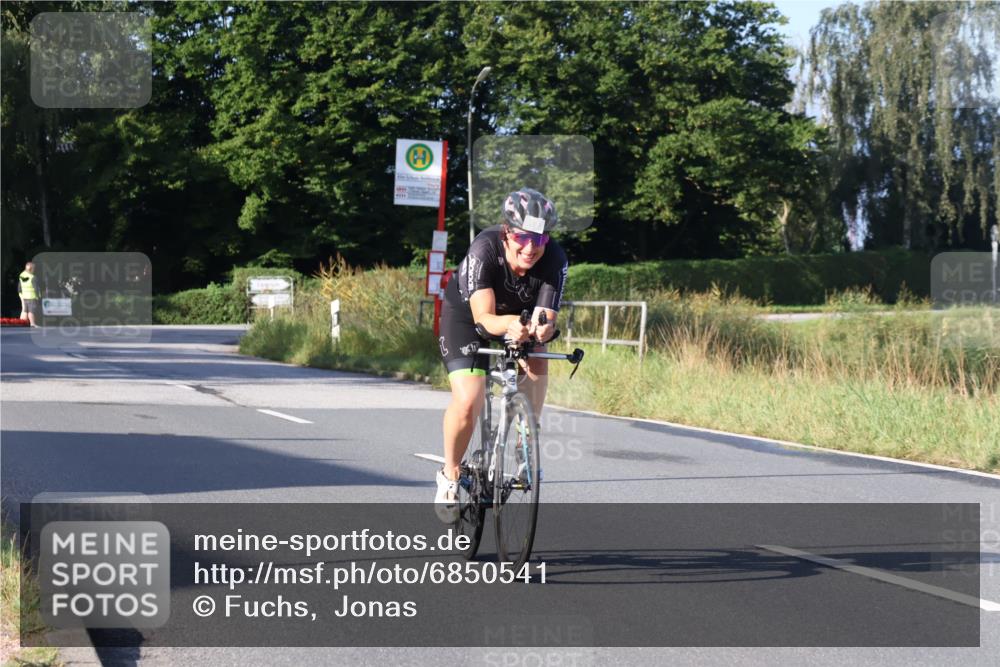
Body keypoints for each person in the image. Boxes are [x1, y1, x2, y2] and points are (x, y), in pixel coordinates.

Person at [434, 188, 568, 522]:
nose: (531, 248)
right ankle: (449, 474)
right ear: (507, 233)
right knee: (469, 400)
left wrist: (541, 330)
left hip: (518, 319)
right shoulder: (485, 248)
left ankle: (526, 435)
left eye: (540, 239)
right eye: (523, 238)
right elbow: (485, 318)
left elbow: (547, 318)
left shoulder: (554, 258)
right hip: (468, 319)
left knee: (538, 352)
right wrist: (514, 324)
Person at [18, 261, 39, 327]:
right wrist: (37, 297)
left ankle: (21, 324)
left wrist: (21, 295)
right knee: (31, 311)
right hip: (32, 296)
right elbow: (36, 289)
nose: (34, 270)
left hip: (23, 296)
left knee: (24, 310)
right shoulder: (33, 277)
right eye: (33, 268)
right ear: (31, 269)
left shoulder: (22, 275)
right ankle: (32, 323)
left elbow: (19, 287)